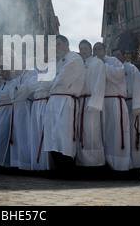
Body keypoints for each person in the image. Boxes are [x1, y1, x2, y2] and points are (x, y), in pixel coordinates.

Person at [42, 35, 85, 177]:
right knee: (52, 134)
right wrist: (55, 77)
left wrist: (55, 78)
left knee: (64, 133)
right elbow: (50, 81)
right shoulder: (60, 62)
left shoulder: (74, 58)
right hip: (54, 100)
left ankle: (67, 168)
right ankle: (58, 167)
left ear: (66, 43)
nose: (56, 48)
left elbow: (62, 79)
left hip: (66, 100)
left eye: (58, 44)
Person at [93, 42, 130, 171]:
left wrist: (104, 65)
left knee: (116, 132)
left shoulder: (113, 61)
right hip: (102, 103)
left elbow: (118, 75)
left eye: (99, 48)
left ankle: (120, 165)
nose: (97, 51)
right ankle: (106, 163)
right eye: (95, 49)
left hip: (115, 101)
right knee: (104, 133)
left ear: (104, 49)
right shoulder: (94, 63)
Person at [113, 48, 140, 170]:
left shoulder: (130, 68)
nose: (116, 58)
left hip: (132, 103)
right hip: (120, 103)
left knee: (135, 133)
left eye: (118, 55)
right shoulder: (113, 69)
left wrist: (137, 106)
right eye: (113, 56)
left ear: (124, 56)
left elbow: (138, 87)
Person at [75, 40, 106, 168]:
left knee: (92, 132)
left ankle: (95, 164)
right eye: (81, 49)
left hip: (91, 102)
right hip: (80, 101)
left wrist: (94, 102)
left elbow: (100, 83)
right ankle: (81, 163)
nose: (83, 51)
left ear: (90, 50)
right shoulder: (78, 64)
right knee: (80, 132)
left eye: (85, 48)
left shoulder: (97, 63)